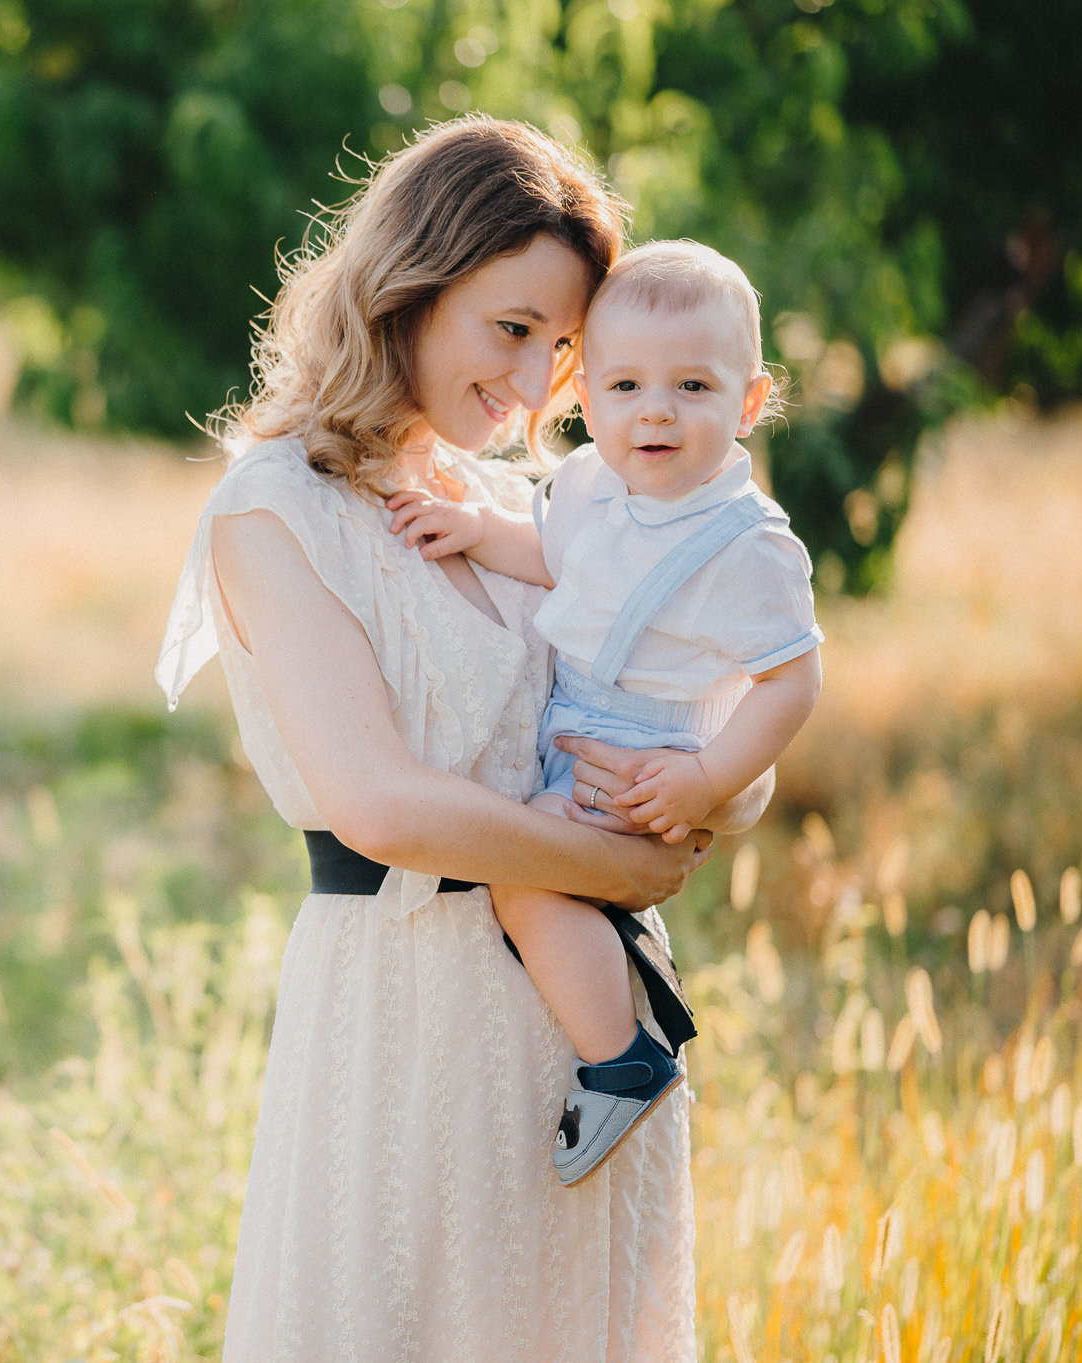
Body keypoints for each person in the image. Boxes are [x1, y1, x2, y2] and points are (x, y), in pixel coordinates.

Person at [157, 119, 772, 1360]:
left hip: (595, 1033)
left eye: (563, 345)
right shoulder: (273, 511)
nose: (539, 379)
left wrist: (705, 787)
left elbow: (698, 707)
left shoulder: (526, 509)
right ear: (408, 290)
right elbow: (378, 803)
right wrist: (619, 865)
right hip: (408, 1016)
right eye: (512, 328)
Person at [386, 241, 822, 1185]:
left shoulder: (748, 546)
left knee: (525, 865)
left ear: (750, 400)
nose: (655, 410)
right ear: (586, 398)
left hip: (648, 759)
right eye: (624, 385)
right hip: (577, 729)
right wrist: (479, 532)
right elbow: (567, 567)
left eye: (693, 387)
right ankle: (612, 1023)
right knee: (533, 858)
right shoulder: (594, 488)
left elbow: (793, 683)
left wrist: (707, 780)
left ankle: (620, 1053)